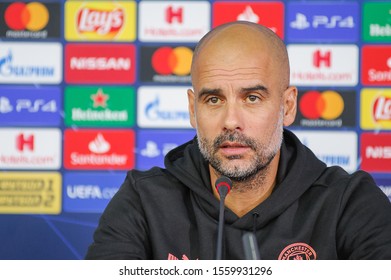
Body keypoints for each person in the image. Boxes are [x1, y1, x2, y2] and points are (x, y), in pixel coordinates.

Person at [85, 21, 391, 260]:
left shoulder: (349, 203)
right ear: (193, 110)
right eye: (214, 99)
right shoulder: (144, 200)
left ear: (287, 106)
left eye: (252, 97)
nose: (231, 121)